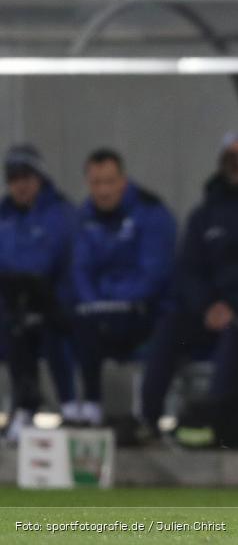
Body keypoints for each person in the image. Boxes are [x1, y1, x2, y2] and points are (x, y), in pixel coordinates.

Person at [140, 132, 238, 432]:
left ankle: (214, 427)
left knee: (236, 333)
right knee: (169, 326)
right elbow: (188, 269)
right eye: (230, 157)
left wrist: (236, 306)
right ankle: (148, 420)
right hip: (208, 311)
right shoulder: (204, 214)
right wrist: (208, 305)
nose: (237, 164)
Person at [71, 149, 177, 426]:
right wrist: (96, 303)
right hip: (103, 312)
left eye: (109, 182)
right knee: (76, 321)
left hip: (144, 311)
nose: (103, 190)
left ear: (123, 181)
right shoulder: (84, 217)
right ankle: (90, 405)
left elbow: (154, 273)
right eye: (96, 183)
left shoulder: (152, 213)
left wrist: (115, 300)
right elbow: (80, 269)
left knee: (168, 326)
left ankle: (148, 416)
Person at [0, 143, 78, 439]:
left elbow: (48, 263)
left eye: (27, 177)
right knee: (15, 326)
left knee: (41, 325)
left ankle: (68, 405)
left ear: (39, 178)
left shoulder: (60, 212)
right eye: (13, 178)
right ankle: (24, 407)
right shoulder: (4, 216)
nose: (20, 185)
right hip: (13, 305)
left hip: (57, 304)